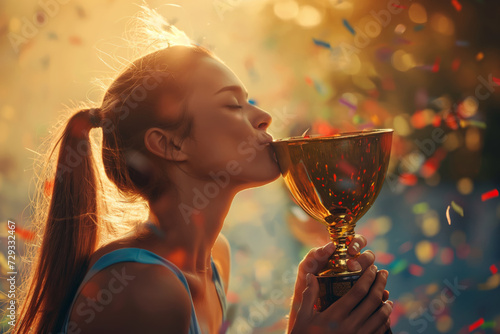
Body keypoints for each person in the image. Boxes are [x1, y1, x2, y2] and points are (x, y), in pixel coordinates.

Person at [13, 23, 392, 334]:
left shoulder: (214, 260)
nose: (264, 117)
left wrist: (301, 315)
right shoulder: (143, 289)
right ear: (169, 144)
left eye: (249, 100)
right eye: (232, 104)